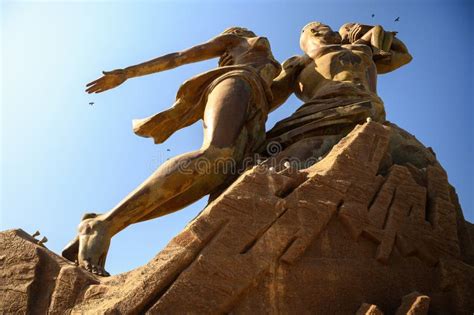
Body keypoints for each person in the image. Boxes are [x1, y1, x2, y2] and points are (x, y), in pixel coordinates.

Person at [62, 27, 281, 276]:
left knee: (215, 176)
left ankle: (103, 221)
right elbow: (181, 56)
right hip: (237, 82)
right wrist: (127, 73)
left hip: (257, 105)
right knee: (215, 153)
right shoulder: (238, 40)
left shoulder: (272, 64)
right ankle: (103, 226)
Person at [266, 22, 412, 162]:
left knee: (417, 157)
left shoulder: (358, 47)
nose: (337, 32)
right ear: (314, 31)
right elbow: (270, 97)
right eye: (328, 28)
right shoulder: (299, 62)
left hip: (372, 112)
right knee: (293, 158)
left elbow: (403, 54)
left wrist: (363, 28)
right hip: (323, 115)